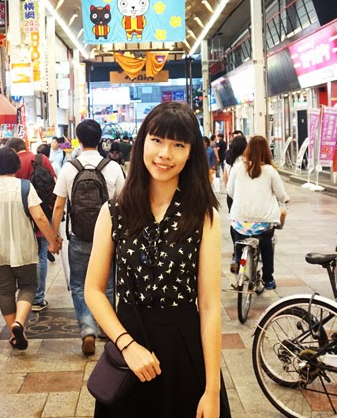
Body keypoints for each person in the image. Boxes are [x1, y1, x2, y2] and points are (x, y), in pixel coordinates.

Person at [84, 102, 230, 417]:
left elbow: (209, 306)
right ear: (142, 143)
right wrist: (126, 345)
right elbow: (93, 290)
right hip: (128, 353)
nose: (165, 154)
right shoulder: (114, 211)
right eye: (157, 140)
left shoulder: (203, 216)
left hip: (185, 353)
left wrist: (213, 389)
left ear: (191, 153)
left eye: (178, 145)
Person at [0, 147, 60, 349]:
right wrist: (52, 241)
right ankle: (19, 322)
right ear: (17, 166)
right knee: (28, 286)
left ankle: (13, 332)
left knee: (5, 292)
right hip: (23, 248)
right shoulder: (25, 187)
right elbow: (39, 217)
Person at [52, 119, 125, 355]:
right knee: (108, 284)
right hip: (108, 237)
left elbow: (59, 206)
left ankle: (87, 329)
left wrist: (55, 236)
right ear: (101, 138)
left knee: (79, 284)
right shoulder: (112, 167)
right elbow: (124, 203)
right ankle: (106, 327)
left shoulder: (69, 168)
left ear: (78, 139)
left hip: (78, 236)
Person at [227, 136, 289, 290]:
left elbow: (230, 191)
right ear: (266, 151)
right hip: (263, 222)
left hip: (239, 221)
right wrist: (286, 199)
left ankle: (238, 259)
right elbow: (281, 195)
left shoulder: (237, 168)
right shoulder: (270, 171)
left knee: (239, 238)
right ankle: (268, 279)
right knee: (267, 246)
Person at [5, 137, 57, 311]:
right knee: (41, 255)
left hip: (18, 215)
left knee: (20, 255)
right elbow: (54, 183)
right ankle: (37, 298)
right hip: (42, 211)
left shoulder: (12, 164)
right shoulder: (41, 159)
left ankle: (23, 295)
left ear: (12, 150)